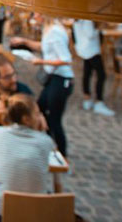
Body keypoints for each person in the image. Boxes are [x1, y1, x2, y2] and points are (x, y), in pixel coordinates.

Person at [0, 93, 54, 222]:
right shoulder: (45, 141)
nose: (41, 117)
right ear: (26, 119)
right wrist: (42, 130)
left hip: (1, 211)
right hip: (36, 213)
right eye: (37, 113)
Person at [11, 18, 74, 156]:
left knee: (54, 119)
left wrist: (41, 61)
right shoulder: (51, 29)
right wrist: (24, 42)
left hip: (61, 79)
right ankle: (46, 144)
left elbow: (66, 59)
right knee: (40, 108)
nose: (34, 17)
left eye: (37, 14)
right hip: (54, 78)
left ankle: (62, 155)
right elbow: (44, 46)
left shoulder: (55, 32)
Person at [73, 19, 114, 116]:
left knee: (87, 73)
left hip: (83, 49)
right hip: (92, 50)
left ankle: (87, 98)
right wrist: (99, 29)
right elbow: (90, 35)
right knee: (101, 75)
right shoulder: (87, 20)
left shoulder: (77, 20)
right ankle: (99, 101)